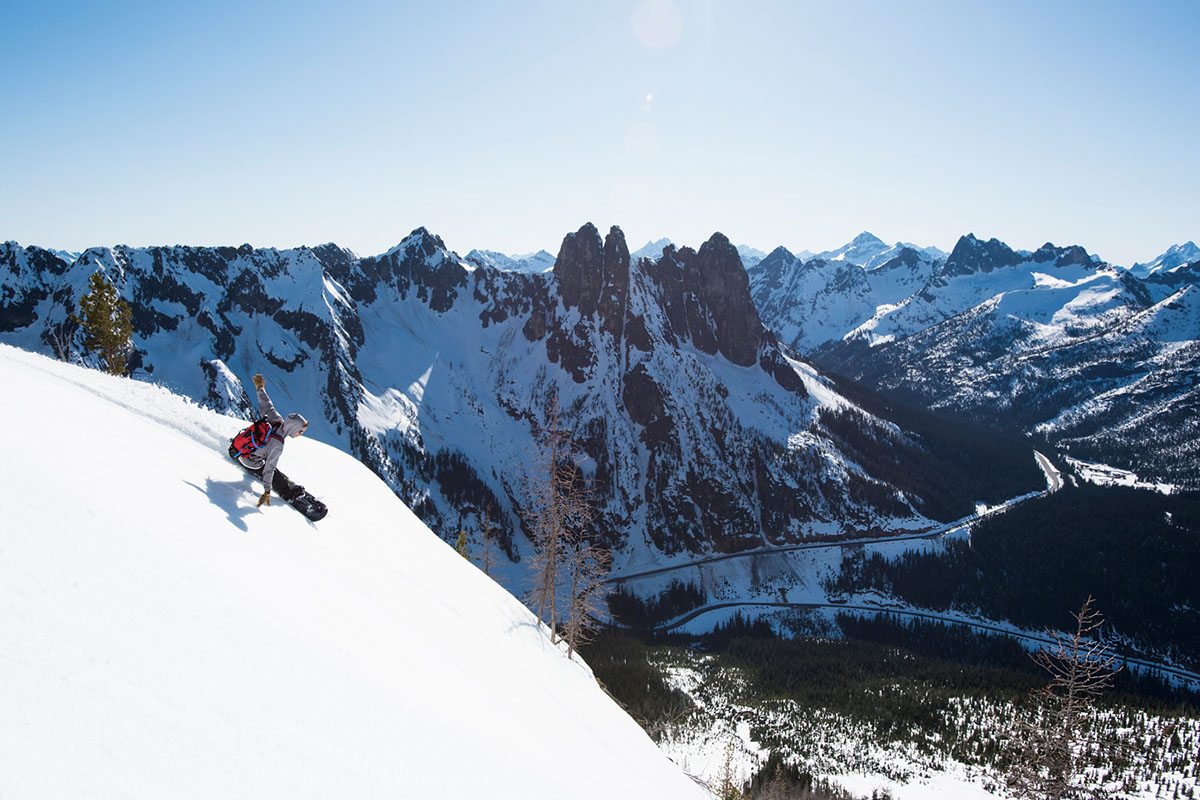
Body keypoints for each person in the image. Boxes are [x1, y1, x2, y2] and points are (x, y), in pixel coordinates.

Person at [229, 373, 309, 507]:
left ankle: (285, 485)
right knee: (271, 472)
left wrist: (260, 388)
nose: (300, 434)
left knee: (270, 465)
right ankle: (288, 494)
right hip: (246, 459)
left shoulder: (276, 420)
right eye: (300, 431)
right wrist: (267, 491)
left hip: (238, 446)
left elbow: (266, 405)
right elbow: (269, 470)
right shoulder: (277, 444)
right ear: (293, 428)